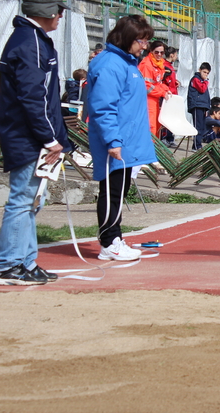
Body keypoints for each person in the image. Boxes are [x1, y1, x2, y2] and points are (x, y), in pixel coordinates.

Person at [0, 0, 71, 286]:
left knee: (32, 200)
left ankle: (25, 262)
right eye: (59, 9)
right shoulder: (30, 43)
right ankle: (9, 265)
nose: (62, 15)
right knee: (22, 199)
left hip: (31, 135)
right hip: (26, 136)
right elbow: (32, 97)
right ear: (49, 12)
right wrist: (50, 139)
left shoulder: (35, 40)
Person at [86, 15, 157, 261]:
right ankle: (109, 241)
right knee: (112, 191)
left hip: (127, 139)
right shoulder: (110, 64)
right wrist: (113, 140)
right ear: (127, 37)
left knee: (120, 189)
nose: (144, 46)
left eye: (147, 40)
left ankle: (114, 237)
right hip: (116, 140)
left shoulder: (127, 63)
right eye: (141, 40)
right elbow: (104, 107)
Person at [138, 40, 171, 137]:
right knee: (151, 127)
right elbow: (146, 86)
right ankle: (150, 150)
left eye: (162, 52)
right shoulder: (147, 65)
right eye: (157, 52)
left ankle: (154, 150)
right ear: (151, 51)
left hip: (155, 99)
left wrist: (165, 89)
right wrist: (162, 92)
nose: (159, 54)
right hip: (147, 100)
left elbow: (158, 83)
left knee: (157, 127)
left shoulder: (159, 64)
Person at [188, 62, 212, 151]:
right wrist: (205, 81)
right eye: (204, 72)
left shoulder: (203, 81)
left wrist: (207, 107)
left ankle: (198, 144)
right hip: (196, 105)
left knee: (201, 126)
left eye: (207, 73)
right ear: (200, 70)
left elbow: (206, 95)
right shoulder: (196, 79)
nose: (205, 74)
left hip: (203, 106)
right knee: (197, 126)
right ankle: (196, 145)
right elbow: (201, 89)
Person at [160, 46, 180, 147]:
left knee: (172, 117)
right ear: (171, 55)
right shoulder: (164, 65)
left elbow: (171, 80)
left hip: (173, 94)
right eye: (176, 55)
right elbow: (163, 81)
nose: (176, 57)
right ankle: (164, 137)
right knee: (165, 117)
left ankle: (170, 138)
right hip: (167, 95)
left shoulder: (170, 66)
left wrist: (176, 83)